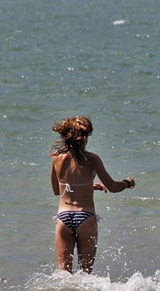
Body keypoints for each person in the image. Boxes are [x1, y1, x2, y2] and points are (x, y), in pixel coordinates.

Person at [49, 115, 135, 273]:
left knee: (63, 274)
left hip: (63, 218)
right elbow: (113, 187)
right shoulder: (92, 159)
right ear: (85, 137)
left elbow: (57, 191)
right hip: (85, 218)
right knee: (86, 273)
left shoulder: (56, 158)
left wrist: (88, 187)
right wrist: (127, 183)